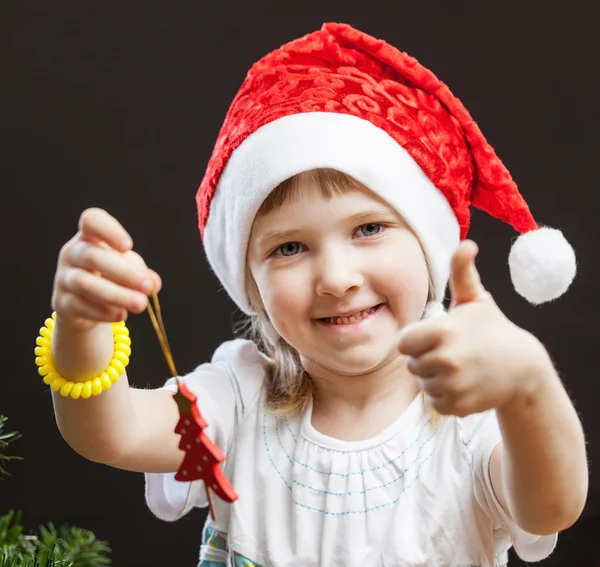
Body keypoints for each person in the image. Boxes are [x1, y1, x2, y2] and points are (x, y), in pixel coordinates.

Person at [37, 23, 588, 567]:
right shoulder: (240, 399)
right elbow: (111, 433)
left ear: (431, 248)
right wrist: (81, 326)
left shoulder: (472, 425)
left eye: (369, 229)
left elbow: (550, 508)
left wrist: (528, 387)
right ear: (250, 284)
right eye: (290, 247)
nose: (336, 278)